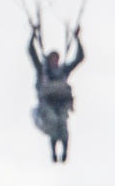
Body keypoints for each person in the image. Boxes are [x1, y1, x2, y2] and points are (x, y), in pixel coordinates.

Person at [28, 24, 84, 162]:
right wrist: (33, 35)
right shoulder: (43, 70)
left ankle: (64, 152)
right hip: (48, 103)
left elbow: (80, 58)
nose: (55, 61)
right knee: (53, 123)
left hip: (62, 103)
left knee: (63, 128)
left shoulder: (63, 71)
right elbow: (32, 53)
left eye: (57, 59)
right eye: (53, 59)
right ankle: (53, 153)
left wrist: (77, 39)